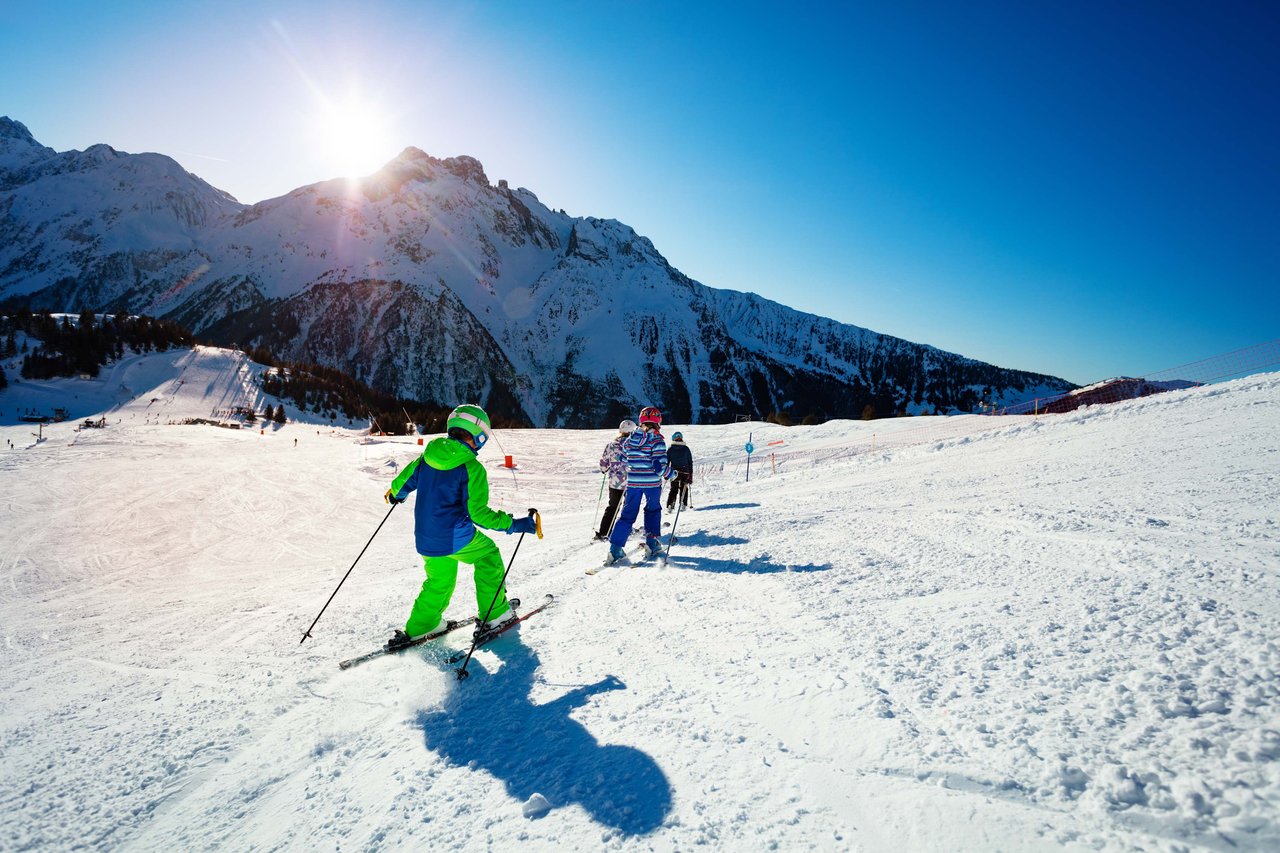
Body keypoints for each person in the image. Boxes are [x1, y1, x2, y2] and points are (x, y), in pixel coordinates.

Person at [383, 403, 537, 646]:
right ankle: (495, 615)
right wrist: (514, 524)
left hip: (424, 537)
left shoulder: (427, 457)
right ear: (479, 435)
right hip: (454, 536)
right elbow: (479, 514)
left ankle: (423, 625)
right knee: (488, 556)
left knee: (440, 579)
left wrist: (395, 495)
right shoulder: (471, 467)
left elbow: (402, 483)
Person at [606, 406, 676, 562]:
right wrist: (672, 474)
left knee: (627, 514)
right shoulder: (657, 440)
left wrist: (636, 465)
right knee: (652, 510)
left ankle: (615, 549)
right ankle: (651, 544)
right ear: (658, 421)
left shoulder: (630, 439)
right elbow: (660, 468)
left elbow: (624, 459)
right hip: (651, 484)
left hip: (633, 483)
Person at [594, 420, 635, 541]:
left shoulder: (611, 445)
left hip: (615, 482)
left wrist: (604, 469)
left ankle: (604, 532)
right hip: (631, 481)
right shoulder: (634, 445)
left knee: (612, 507)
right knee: (628, 507)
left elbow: (604, 464)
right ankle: (624, 531)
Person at [665, 431, 693, 510]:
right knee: (684, 488)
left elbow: (667, 462)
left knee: (673, 489)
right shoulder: (686, 449)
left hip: (674, 472)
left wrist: (666, 473)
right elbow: (690, 462)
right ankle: (683, 504)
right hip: (685, 471)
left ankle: (670, 505)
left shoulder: (670, 449)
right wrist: (690, 475)